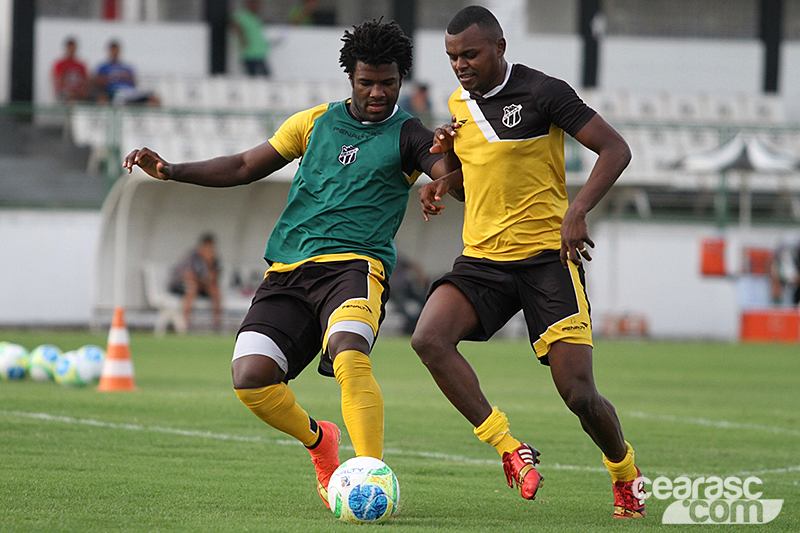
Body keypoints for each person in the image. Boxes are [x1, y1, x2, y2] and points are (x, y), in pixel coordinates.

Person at [123, 19, 451, 509]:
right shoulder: (314, 122)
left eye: (388, 82)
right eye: (367, 82)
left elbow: (447, 176)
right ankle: (321, 441)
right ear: (351, 77)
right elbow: (243, 166)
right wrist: (171, 170)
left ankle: (370, 476)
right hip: (289, 271)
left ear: (401, 78)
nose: (378, 92)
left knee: (349, 352)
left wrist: (445, 173)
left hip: (355, 268)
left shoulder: (411, 134)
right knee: (250, 377)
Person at [412, 6, 645, 519]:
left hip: (547, 260)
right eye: (452, 57)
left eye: (470, 54)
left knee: (578, 394)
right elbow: (472, 184)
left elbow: (616, 149)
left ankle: (625, 473)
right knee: (428, 338)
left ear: (499, 47)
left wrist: (577, 210)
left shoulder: (544, 92)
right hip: (483, 260)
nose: (460, 65)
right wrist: (443, 178)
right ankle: (510, 448)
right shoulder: (458, 104)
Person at [168, 233, 222, 330]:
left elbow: (214, 279)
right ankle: (186, 324)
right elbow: (188, 276)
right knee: (191, 289)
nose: (209, 250)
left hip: (201, 285)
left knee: (214, 290)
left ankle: (217, 324)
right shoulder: (192, 257)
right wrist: (203, 280)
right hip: (180, 285)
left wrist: (209, 264)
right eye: (207, 247)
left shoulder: (213, 259)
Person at [95, 40, 160, 105]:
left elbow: (134, 82)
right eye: (113, 51)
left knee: (153, 98)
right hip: (114, 92)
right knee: (116, 97)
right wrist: (113, 77)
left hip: (130, 91)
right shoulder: (104, 67)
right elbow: (98, 82)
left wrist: (125, 77)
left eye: (116, 51)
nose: (115, 53)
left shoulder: (127, 67)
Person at [231, 0, 271, 76]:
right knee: (252, 78)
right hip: (249, 53)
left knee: (266, 77)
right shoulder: (241, 16)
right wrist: (242, 38)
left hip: (260, 52)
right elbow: (234, 27)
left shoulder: (256, 17)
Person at [52, 37, 90, 103]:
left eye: (73, 49)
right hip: (64, 92)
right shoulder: (60, 64)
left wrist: (81, 90)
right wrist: (69, 90)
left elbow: (85, 80)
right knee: (67, 97)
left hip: (78, 92)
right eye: (70, 49)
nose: (71, 51)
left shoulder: (80, 65)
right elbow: (59, 81)